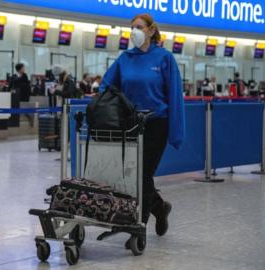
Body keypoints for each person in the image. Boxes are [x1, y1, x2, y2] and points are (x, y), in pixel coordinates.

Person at [99, 13, 185, 248]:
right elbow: (107, 85)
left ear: (150, 30)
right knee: (133, 174)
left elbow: (175, 95)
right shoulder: (125, 58)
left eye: (138, 27)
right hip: (131, 123)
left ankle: (140, 227)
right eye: (131, 27)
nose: (134, 31)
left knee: (142, 173)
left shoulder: (164, 58)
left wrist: (176, 130)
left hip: (157, 123)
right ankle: (160, 207)